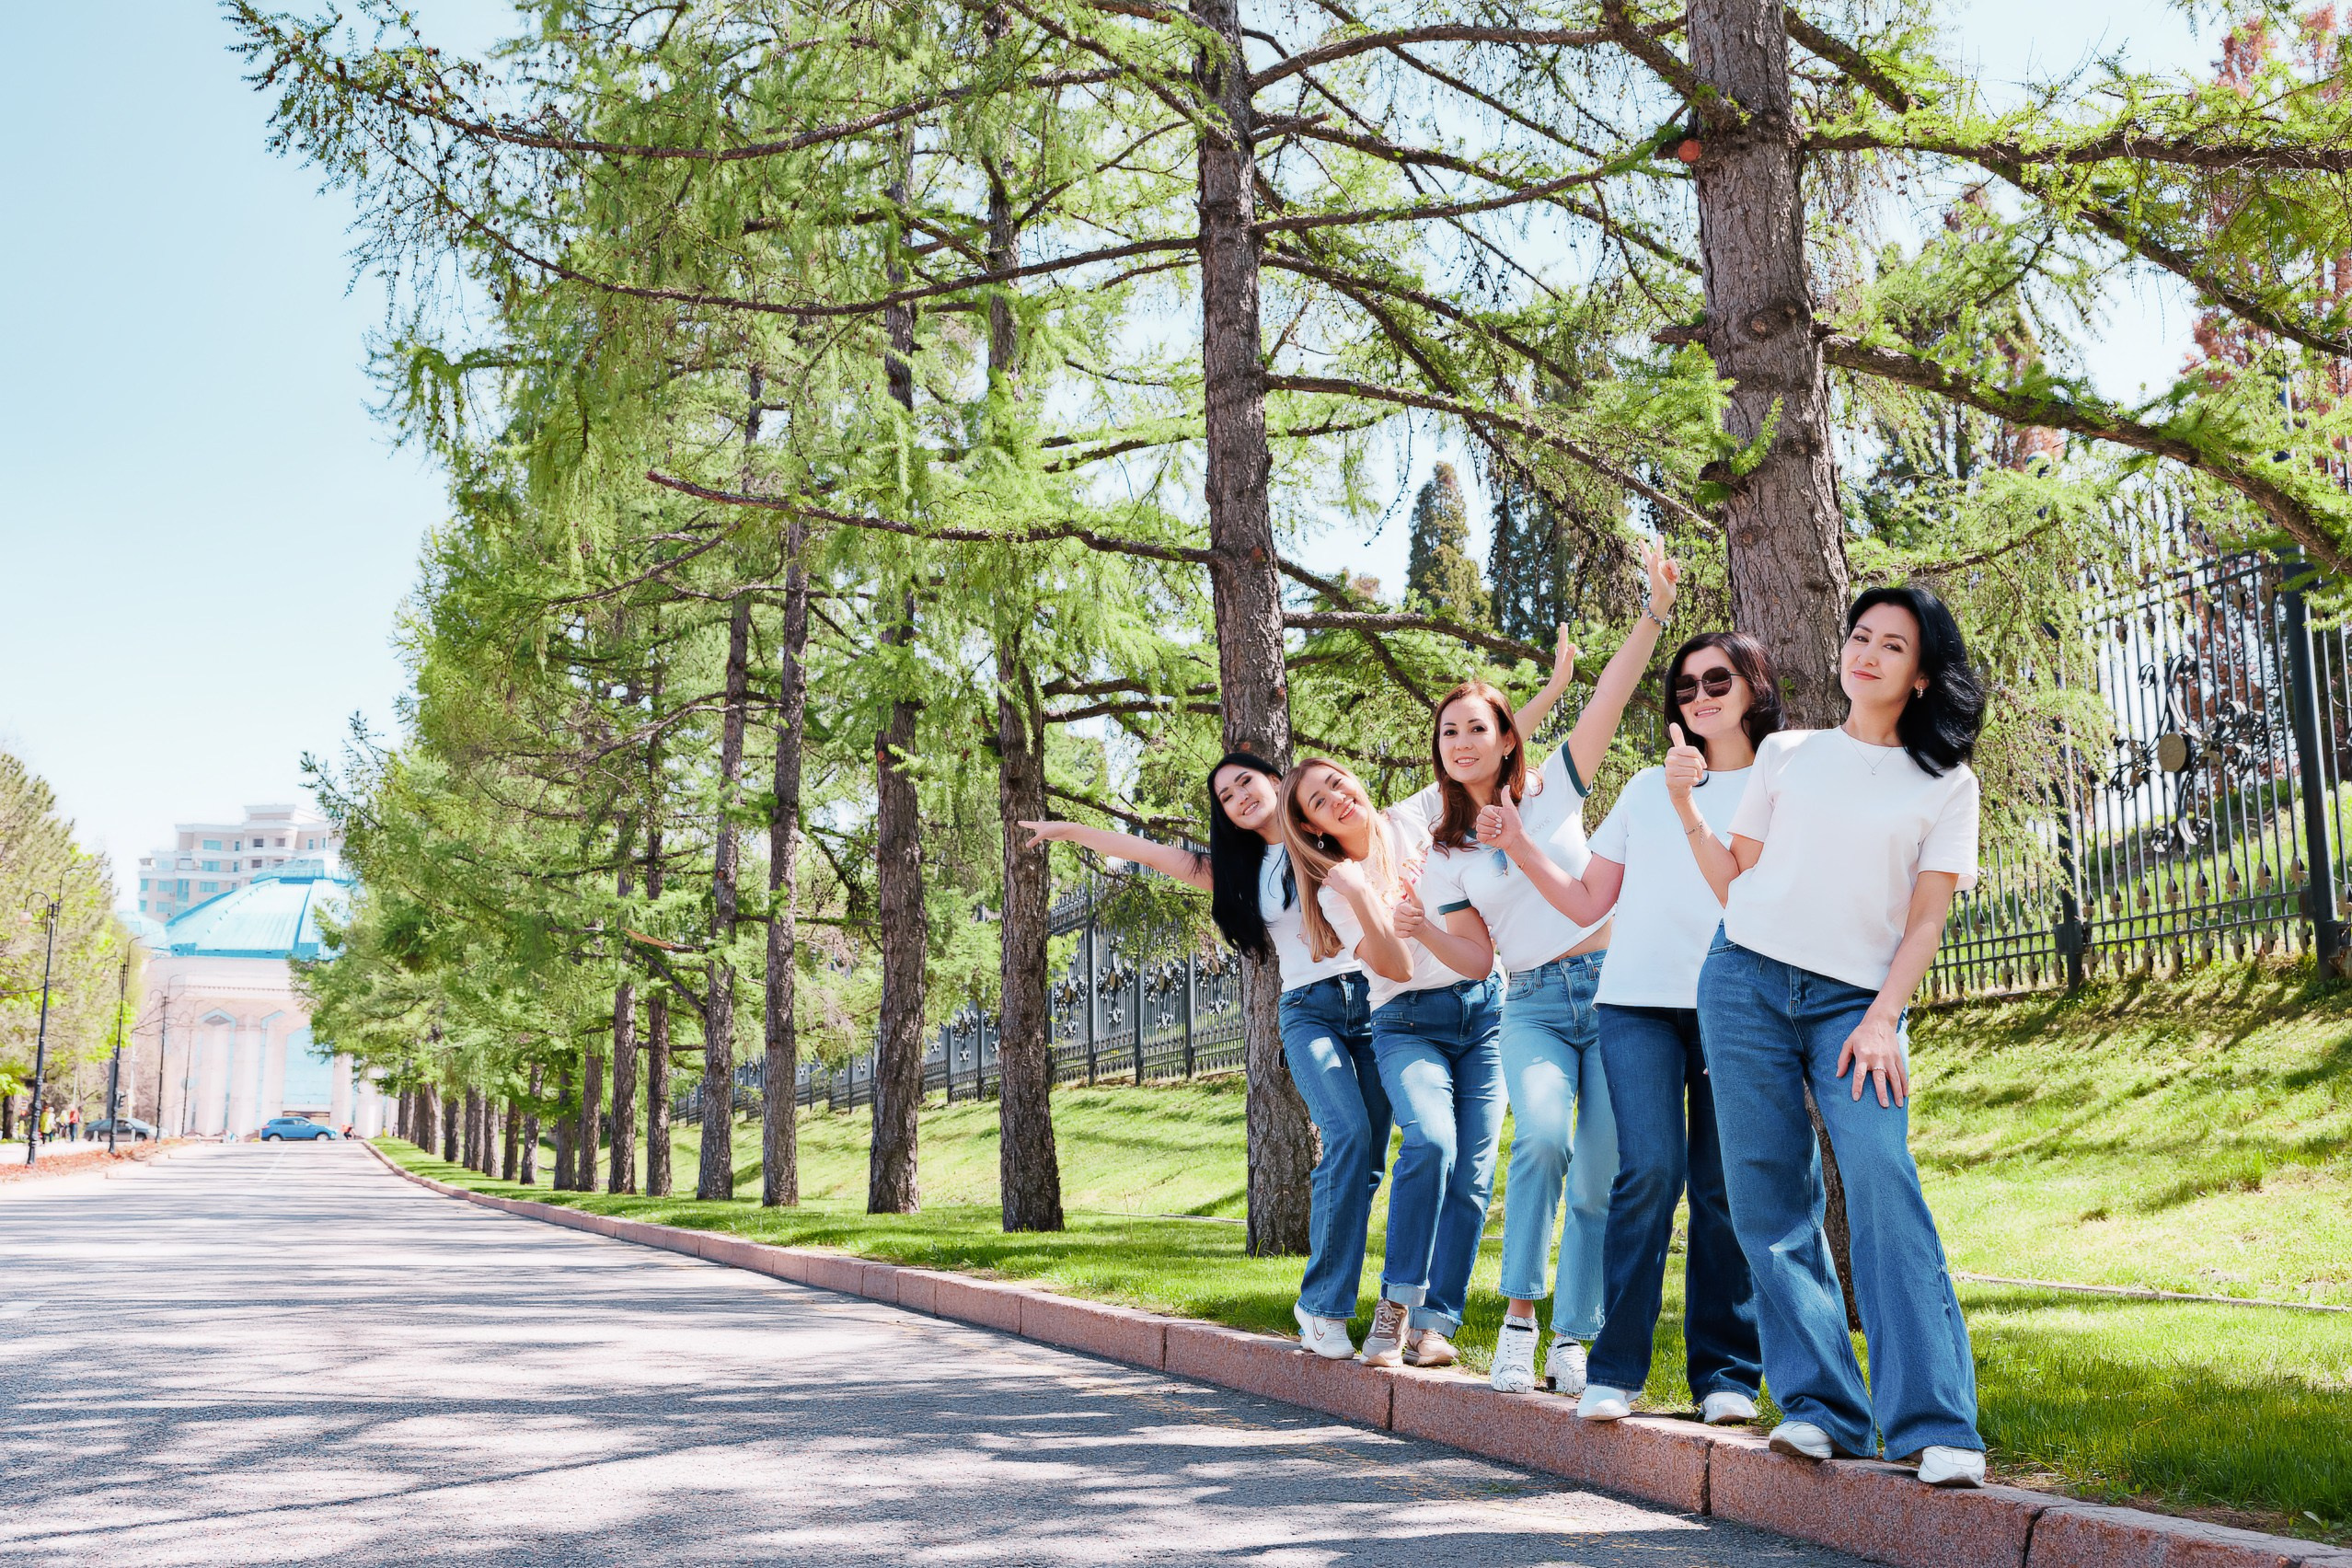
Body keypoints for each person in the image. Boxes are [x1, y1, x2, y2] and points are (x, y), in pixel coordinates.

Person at [1014, 648, 1576, 1359]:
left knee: (1397, 1154)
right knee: (1350, 1139)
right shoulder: (1244, 870)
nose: (1240, 797)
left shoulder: (1359, 830)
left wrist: (1551, 690)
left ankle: (1410, 1316)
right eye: (1226, 797)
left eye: (1247, 781)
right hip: (1313, 1010)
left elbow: (1479, 753)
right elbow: (1150, 851)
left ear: (1279, 783)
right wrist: (1067, 830)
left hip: (1378, 1003)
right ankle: (1324, 1304)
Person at [1684, 585, 1989, 1489]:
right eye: (1861, 636)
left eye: (1891, 645)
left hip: (1857, 1005)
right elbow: (1736, 879)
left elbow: (1927, 918)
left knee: (1882, 1180)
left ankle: (1938, 1424)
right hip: (1741, 978)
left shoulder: (1946, 784)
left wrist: (1885, 1020)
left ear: (1923, 672)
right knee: (1769, 1201)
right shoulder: (1786, 753)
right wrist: (1684, 813)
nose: (1867, 653)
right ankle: (1821, 1408)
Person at [1410, 544, 1682, 1396]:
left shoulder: (1551, 791)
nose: (1461, 742)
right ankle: (1519, 1323)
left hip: (1617, 992)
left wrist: (1654, 612)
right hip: (1528, 1004)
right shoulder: (1441, 855)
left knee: (1602, 1169)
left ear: (1506, 737)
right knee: (1544, 1141)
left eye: (1476, 728)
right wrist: (1425, 930)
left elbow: (1609, 696)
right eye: (1448, 732)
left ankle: (1577, 1338)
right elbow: (1477, 957)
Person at [1484, 630, 1776, 1424]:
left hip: (1737, 1008)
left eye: (1719, 679)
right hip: (1637, 1005)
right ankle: (1614, 1367)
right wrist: (1515, 842)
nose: (1701, 695)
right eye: (1685, 687)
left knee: (1723, 1191)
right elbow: (1587, 903)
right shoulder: (1647, 787)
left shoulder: (1779, 781)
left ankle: (1725, 1379)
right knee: (1648, 1175)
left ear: (1755, 684)